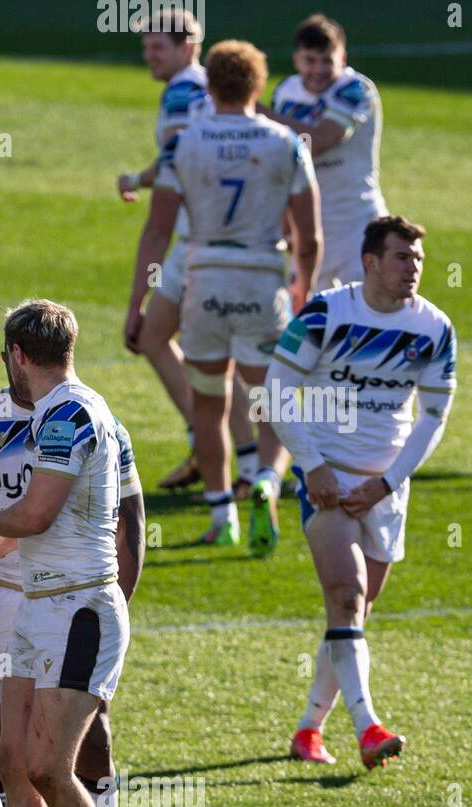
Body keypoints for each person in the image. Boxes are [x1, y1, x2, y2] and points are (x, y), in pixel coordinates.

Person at [0, 299, 134, 807]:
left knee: (47, 765)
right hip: (38, 608)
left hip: (80, 612)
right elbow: (46, 526)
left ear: (15, 354)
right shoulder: (53, 412)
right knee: (13, 762)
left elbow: (36, 517)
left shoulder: (69, 413)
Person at [267, 216, 456, 769]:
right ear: (370, 261)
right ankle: (368, 727)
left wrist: (387, 483)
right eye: (402, 258)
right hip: (329, 481)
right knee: (347, 597)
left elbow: (434, 416)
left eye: (418, 259)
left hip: (385, 490)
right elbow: (278, 389)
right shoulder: (327, 313)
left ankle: (308, 731)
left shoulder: (434, 328)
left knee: (353, 615)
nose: (413, 269)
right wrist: (311, 466)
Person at [129, 40, 320, 557]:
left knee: (210, 406)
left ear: (209, 85)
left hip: (204, 282)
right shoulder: (286, 142)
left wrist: (136, 303)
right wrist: (301, 292)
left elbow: (157, 232)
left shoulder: (185, 143)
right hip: (262, 282)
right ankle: (266, 481)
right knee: (274, 401)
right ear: (259, 86)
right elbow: (310, 235)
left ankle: (221, 515)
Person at [120, 7, 258, 496]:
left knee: (156, 337)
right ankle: (237, 457)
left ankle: (223, 452)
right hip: (231, 241)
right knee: (206, 354)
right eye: (145, 47)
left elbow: (178, 157)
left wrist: (136, 178)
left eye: (157, 47)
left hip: (197, 243)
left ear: (189, 46)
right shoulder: (207, 89)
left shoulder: (182, 91)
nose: (148, 57)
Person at [265, 13, 387, 292]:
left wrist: (262, 115)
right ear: (296, 59)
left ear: (342, 58)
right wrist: (285, 223)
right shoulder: (286, 92)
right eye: (310, 60)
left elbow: (321, 140)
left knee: (366, 311)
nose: (318, 70)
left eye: (327, 61)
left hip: (357, 223)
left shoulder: (357, 90)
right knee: (305, 319)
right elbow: (284, 160)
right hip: (308, 225)